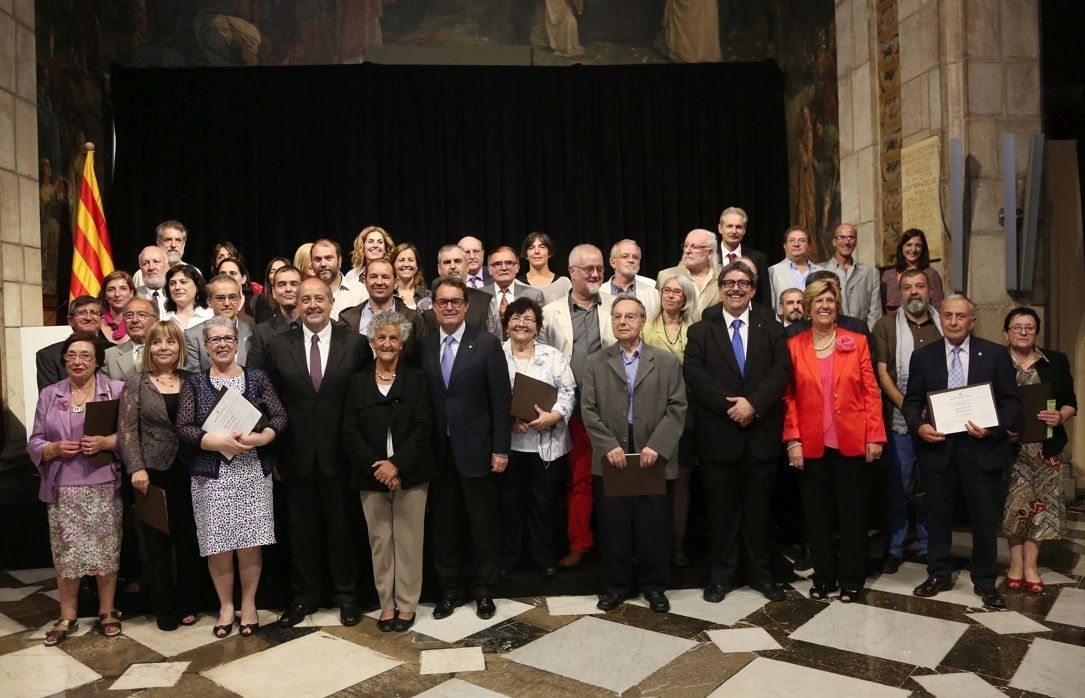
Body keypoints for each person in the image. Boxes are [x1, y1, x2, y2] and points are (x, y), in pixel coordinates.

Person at [263, 278, 368, 627]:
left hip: (342, 456)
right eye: (305, 299)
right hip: (296, 456)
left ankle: (347, 596)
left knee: (343, 528)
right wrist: (274, 455)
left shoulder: (354, 344)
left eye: (318, 299)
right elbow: (270, 404)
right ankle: (304, 595)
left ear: (331, 300)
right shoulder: (279, 346)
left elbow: (363, 401)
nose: (312, 305)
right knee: (301, 530)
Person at [685, 261, 793, 601]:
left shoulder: (771, 326)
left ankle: (762, 574)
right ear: (720, 288)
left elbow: (781, 371)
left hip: (760, 433)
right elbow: (694, 374)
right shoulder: (702, 329)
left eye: (743, 283)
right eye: (729, 282)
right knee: (721, 512)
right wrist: (732, 406)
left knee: (760, 511)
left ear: (753, 288)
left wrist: (753, 405)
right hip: (719, 435)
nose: (736, 288)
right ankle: (722, 576)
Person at [903, 295, 1019, 609]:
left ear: (972, 320)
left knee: (983, 518)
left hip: (981, 448)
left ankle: (985, 581)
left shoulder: (994, 355)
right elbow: (911, 401)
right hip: (938, 449)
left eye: (960, 316)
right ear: (941, 318)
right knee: (938, 515)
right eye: (948, 315)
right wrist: (918, 426)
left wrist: (992, 427)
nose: (953, 321)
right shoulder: (923, 357)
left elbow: (1011, 403)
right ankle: (938, 574)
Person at [176, 316, 287, 637]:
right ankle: (226, 606)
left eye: (228, 338)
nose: (222, 344)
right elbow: (184, 427)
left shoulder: (257, 378)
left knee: (251, 541)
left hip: (252, 472)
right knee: (218, 543)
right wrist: (213, 441)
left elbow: (279, 415)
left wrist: (265, 437)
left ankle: (249, 604)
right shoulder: (195, 383)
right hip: (212, 477)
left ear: (237, 343)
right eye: (215, 340)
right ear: (206, 347)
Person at [582, 297, 688, 613]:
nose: (623, 322)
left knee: (653, 524)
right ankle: (616, 586)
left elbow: (677, 407)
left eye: (630, 316)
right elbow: (588, 409)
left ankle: (654, 587)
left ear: (643, 321)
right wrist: (607, 446)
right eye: (617, 317)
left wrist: (658, 445)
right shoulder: (595, 362)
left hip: (652, 453)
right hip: (613, 453)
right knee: (614, 524)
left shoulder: (666, 362)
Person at [783, 278, 885, 602]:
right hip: (811, 444)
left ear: (837, 306)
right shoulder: (794, 345)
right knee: (817, 515)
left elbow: (871, 392)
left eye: (830, 301)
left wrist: (875, 436)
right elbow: (789, 398)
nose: (825, 306)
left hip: (853, 441)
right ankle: (824, 577)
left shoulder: (856, 341)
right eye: (818, 302)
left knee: (854, 515)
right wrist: (793, 440)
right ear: (808, 309)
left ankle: (852, 578)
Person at [420, 276, 512, 620]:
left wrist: (500, 449)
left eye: (455, 301)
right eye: (442, 301)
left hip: (478, 451)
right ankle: (449, 591)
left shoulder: (486, 343)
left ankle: (484, 591)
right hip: (437, 453)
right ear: (433, 306)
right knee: (444, 526)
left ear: (466, 306)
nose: (448, 307)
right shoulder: (424, 346)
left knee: (482, 525)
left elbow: (500, 402)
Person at [27, 332, 126, 645]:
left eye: (85, 355)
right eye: (71, 355)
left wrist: (107, 442)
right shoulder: (50, 395)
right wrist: (53, 449)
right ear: (64, 360)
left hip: (104, 483)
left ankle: (107, 610)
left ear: (97, 360)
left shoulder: (116, 391)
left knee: (106, 553)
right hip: (62, 486)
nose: (78, 361)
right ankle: (67, 615)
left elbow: (133, 437)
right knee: (66, 555)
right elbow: (35, 440)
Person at [342, 311, 435, 633]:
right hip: (371, 476)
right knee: (380, 542)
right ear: (371, 341)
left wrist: (398, 465)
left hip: (412, 473)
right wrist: (379, 468)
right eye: (381, 337)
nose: (387, 343)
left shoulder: (416, 379)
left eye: (393, 338)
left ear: (402, 343)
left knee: (409, 542)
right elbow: (350, 431)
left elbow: (424, 427)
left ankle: (407, 605)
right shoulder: (357, 381)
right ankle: (387, 605)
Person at [117, 320, 204, 631]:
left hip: (191, 472)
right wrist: (136, 467)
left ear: (180, 347)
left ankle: (187, 603)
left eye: (170, 342)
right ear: (149, 348)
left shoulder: (194, 381)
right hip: (151, 473)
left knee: (189, 541)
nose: (164, 348)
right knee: (156, 545)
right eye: (157, 343)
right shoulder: (136, 382)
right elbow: (127, 431)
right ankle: (163, 608)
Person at [540, 244, 617, 569]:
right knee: (580, 480)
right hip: (571, 412)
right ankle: (580, 543)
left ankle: (618, 544)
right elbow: (542, 361)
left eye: (599, 268)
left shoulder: (617, 306)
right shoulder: (551, 311)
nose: (596, 274)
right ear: (571, 272)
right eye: (588, 269)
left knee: (618, 479)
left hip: (612, 409)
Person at [1001, 307, 1077, 593]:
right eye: (1017, 327)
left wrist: (1061, 416)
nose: (1023, 332)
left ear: (1036, 331)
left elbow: (1071, 402)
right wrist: (1000, 428)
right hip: (1011, 451)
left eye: (1029, 328)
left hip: (1045, 449)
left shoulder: (1055, 361)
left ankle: (1031, 565)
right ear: (1006, 331)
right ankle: (1015, 564)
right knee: (1014, 508)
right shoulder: (996, 361)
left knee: (1041, 511)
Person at [871, 268, 941, 573]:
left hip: (939, 419)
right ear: (899, 293)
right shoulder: (886, 325)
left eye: (920, 286)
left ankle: (928, 545)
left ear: (929, 290)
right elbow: (882, 374)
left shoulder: (943, 323)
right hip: (899, 420)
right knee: (897, 488)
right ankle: (896, 546)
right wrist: (911, 412)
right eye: (907, 287)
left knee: (932, 486)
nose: (914, 292)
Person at [500, 297, 576, 577]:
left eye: (528, 319)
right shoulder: (495, 353)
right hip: (508, 446)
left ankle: (544, 557)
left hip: (547, 445)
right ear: (506, 324)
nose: (521, 324)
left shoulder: (553, 356)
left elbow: (568, 391)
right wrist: (510, 419)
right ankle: (509, 558)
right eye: (515, 318)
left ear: (538, 326)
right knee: (510, 504)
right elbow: (486, 395)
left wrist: (553, 416)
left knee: (543, 503)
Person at [642, 273, 698, 567]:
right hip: (650, 413)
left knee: (681, 480)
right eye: (666, 290)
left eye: (677, 292)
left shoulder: (696, 329)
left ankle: (678, 544)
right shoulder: (646, 326)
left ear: (686, 298)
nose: (671, 295)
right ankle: (653, 544)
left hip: (685, 413)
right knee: (654, 480)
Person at [340, 259, 426, 365]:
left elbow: (422, 360)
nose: (379, 282)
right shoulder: (347, 318)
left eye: (385, 277)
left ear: (396, 283)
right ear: (364, 281)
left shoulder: (412, 319)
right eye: (373, 277)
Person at [418, 245, 499, 336]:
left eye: (457, 261)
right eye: (447, 262)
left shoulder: (486, 301)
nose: (453, 266)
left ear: (467, 266)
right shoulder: (424, 305)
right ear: (439, 269)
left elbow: (495, 342)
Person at [185, 274, 255, 371]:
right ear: (209, 302)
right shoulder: (193, 336)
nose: (227, 303)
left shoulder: (252, 332)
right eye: (220, 298)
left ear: (239, 301)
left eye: (232, 297)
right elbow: (192, 380)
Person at [36, 295, 101, 391]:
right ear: (70, 320)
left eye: (94, 312)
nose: (88, 317)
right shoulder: (48, 355)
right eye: (82, 313)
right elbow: (49, 400)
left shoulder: (113, 350)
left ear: (101, 319)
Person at [823, 223, 882, 329]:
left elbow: (875, 312)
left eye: (851, 238)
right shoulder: (821, 271)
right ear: (834, 242)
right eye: (842, 237)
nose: (846, 242)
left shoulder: (870, 273)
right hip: (831, 335)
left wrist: (868, 337)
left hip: (862, 336)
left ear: (855, 242)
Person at [247, 265, 303, 368]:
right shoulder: (262, 332)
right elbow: (255, 375)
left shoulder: (316, 327)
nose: (288, 289)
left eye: (294, 284)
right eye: (282, 285)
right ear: (273, 292)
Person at [482, 246, 545, 339]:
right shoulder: (479, 295)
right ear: (489, 270)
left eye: (509, 263)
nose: (504, 268)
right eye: (497, 264)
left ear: (517, 267)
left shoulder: (534, 295)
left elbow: (540, 332)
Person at [656, 229, 720, 317]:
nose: (687, 251)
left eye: (694, 247)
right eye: (686, 246)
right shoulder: (666, 276)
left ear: (709, 253)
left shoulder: (724, 276)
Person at [881, 228, 945, 314]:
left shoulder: (931, 274)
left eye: (918, 245)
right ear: (901, 247)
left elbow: (939, 307)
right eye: (909, 245)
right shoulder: (888, 276)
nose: (913, 249)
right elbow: (881, 308)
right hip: (892, 326)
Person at [716, 207, 770, 303]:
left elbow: (764, 298)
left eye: (739, 227)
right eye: (729, 226)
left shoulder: (758, 258)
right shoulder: (710, 256)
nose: (734, 231)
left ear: (744, 230)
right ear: (720, 228)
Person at [767, 226, 823, 310]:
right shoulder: (773, 271)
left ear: (809, 246)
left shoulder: (822, 272)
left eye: (802, 241)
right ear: (785, 246)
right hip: (784, 323)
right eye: (792, 241)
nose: (796, 244)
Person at [131, 221, 199, 290]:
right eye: (168, 240)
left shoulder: (194, 272)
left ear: (184, 244)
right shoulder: (141, 275)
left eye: (178, 240)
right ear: (159, 243)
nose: (173, 245)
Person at [312, 238, 367, 320]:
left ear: (339, 260)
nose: (323, 264)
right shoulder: (305, 292)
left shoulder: (359, 291)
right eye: (317, 259)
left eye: (328, 258)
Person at [104, 298, 159, 380]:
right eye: (129, 316)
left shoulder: (168, 352)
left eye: (141, 315)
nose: (134, 320)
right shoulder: (109, 356)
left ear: (156, 321)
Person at [607, 239, 660, 320]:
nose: (631, 260)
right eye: (625, 256)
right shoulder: (600, 292)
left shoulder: (653, 287)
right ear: (612, 262)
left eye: (635, 257)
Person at [520, 231, 572, 305]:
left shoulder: (564, 283)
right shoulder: (517, 284)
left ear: (549, 253)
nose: (537, 251)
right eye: (531, 248)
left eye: (542, 247)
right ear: (526, 254)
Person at [215, 257, 267, 324]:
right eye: (223, 274)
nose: (227, 277)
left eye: (232, 273)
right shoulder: (212, 303)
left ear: (243, 279)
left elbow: (267, 332)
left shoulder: (258, 302)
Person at [163, 264, 213, 330]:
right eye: (172, 283)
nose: (177, 287)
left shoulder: (210, 315)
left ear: (197, 286)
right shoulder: (164, 319)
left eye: (183, 282)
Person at [98, 270, 135, 346]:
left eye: (123, 288)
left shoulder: (141, 322)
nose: (117, 294)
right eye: (111, 290)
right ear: (105, 295)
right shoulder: (96, 323)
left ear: (131, 293)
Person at [391, 242, 429, 309]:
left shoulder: (427, 295)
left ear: (417, 265)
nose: (406, 264)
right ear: (393, 265)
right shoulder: (387, 295)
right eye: (401, 260)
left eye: (411, 260)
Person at [135, 246, 170, 316]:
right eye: (145, 263)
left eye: (156, 262)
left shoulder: (176, 294)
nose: (151, 267)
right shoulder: (134, 296)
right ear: (141, 269)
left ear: (167, 266)